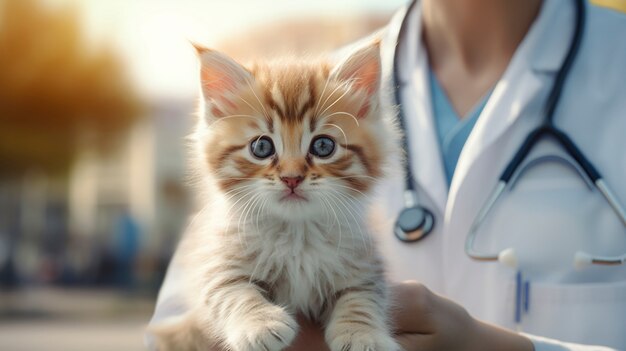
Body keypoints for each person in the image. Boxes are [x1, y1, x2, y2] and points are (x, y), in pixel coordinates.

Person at [148, 0, 626, 350]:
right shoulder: (339, 75)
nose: (291, 173)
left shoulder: (614, 60)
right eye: (265, 148)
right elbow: (170, 334)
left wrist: (503, 349)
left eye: (320, 147)